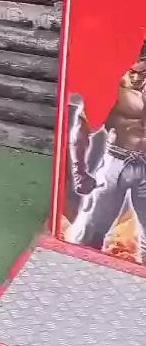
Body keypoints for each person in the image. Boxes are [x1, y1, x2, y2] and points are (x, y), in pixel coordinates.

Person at [69, 43, 146, 256]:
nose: (137, 78)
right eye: (132, 72)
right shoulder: (109, 89)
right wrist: (79, 172)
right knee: (89, 230)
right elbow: (81, 131)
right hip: (116, 160)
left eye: (143, 73)